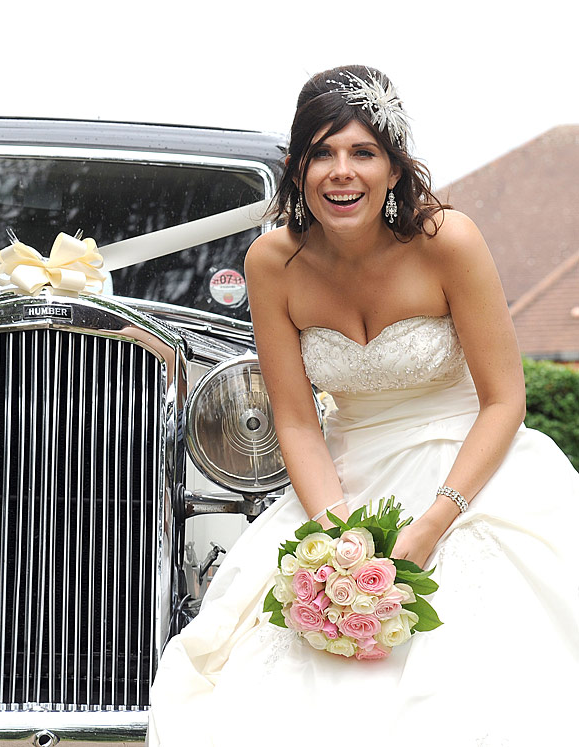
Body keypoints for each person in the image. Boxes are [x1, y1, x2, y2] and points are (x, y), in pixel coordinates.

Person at [148, 65, 579, 745]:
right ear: (296, 168)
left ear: (394, 167)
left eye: (362, 152)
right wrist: (338, 534)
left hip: (467, 474)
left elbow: (504, 400)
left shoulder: (449, 242)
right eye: (322, 152)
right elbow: (294, 417)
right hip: (344, 483)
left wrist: (432, 526)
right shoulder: (272, 263)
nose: (340, 172)